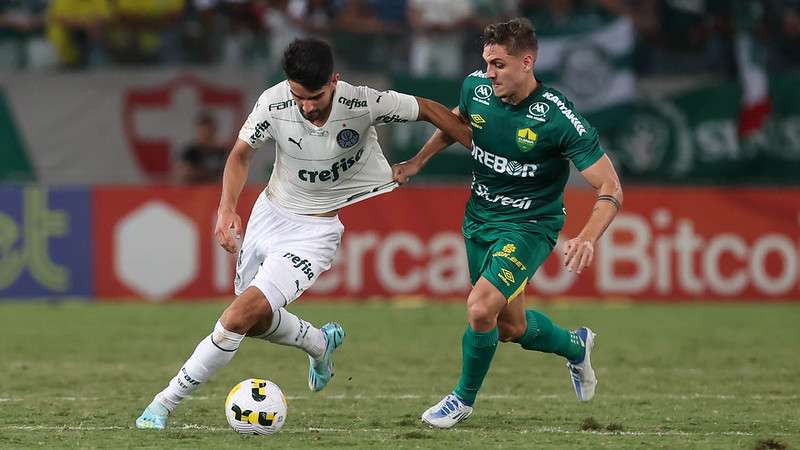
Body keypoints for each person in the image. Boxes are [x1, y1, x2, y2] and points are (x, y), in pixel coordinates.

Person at [135, 36, 472, 430]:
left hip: (313, 233)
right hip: (268, 214)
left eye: (315, 96)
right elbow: (241, 153)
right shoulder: (273, 102)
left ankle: (162, 403)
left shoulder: (364, 102)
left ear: (334, 80)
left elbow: (430, 109)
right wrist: (226, 208)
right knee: (255, 322)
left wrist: (472, 151)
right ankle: (317, 343)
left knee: (235, 318)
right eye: (299, 96)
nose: (307, 106)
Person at [392, 18, 623, 429]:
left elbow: (610, 186)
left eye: (498, 64)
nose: (489, 73)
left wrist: (587, 236)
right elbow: (454, 122)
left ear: (527, 62)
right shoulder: (476, 89)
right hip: (479, 219)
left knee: (480, 308)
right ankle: (576, 345)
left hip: (530, 225)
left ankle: (461, 400)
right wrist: (417, 162)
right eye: (486, 63)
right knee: (509, 327)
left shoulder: (557, 117)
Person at [177, 112, 228, 184]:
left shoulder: (222, 152)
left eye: (210, 131)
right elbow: (185, 173)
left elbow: (227, 174)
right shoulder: (189, 152)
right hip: (194, 191)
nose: (207, 135)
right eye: (204, 132)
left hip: (215, 191)